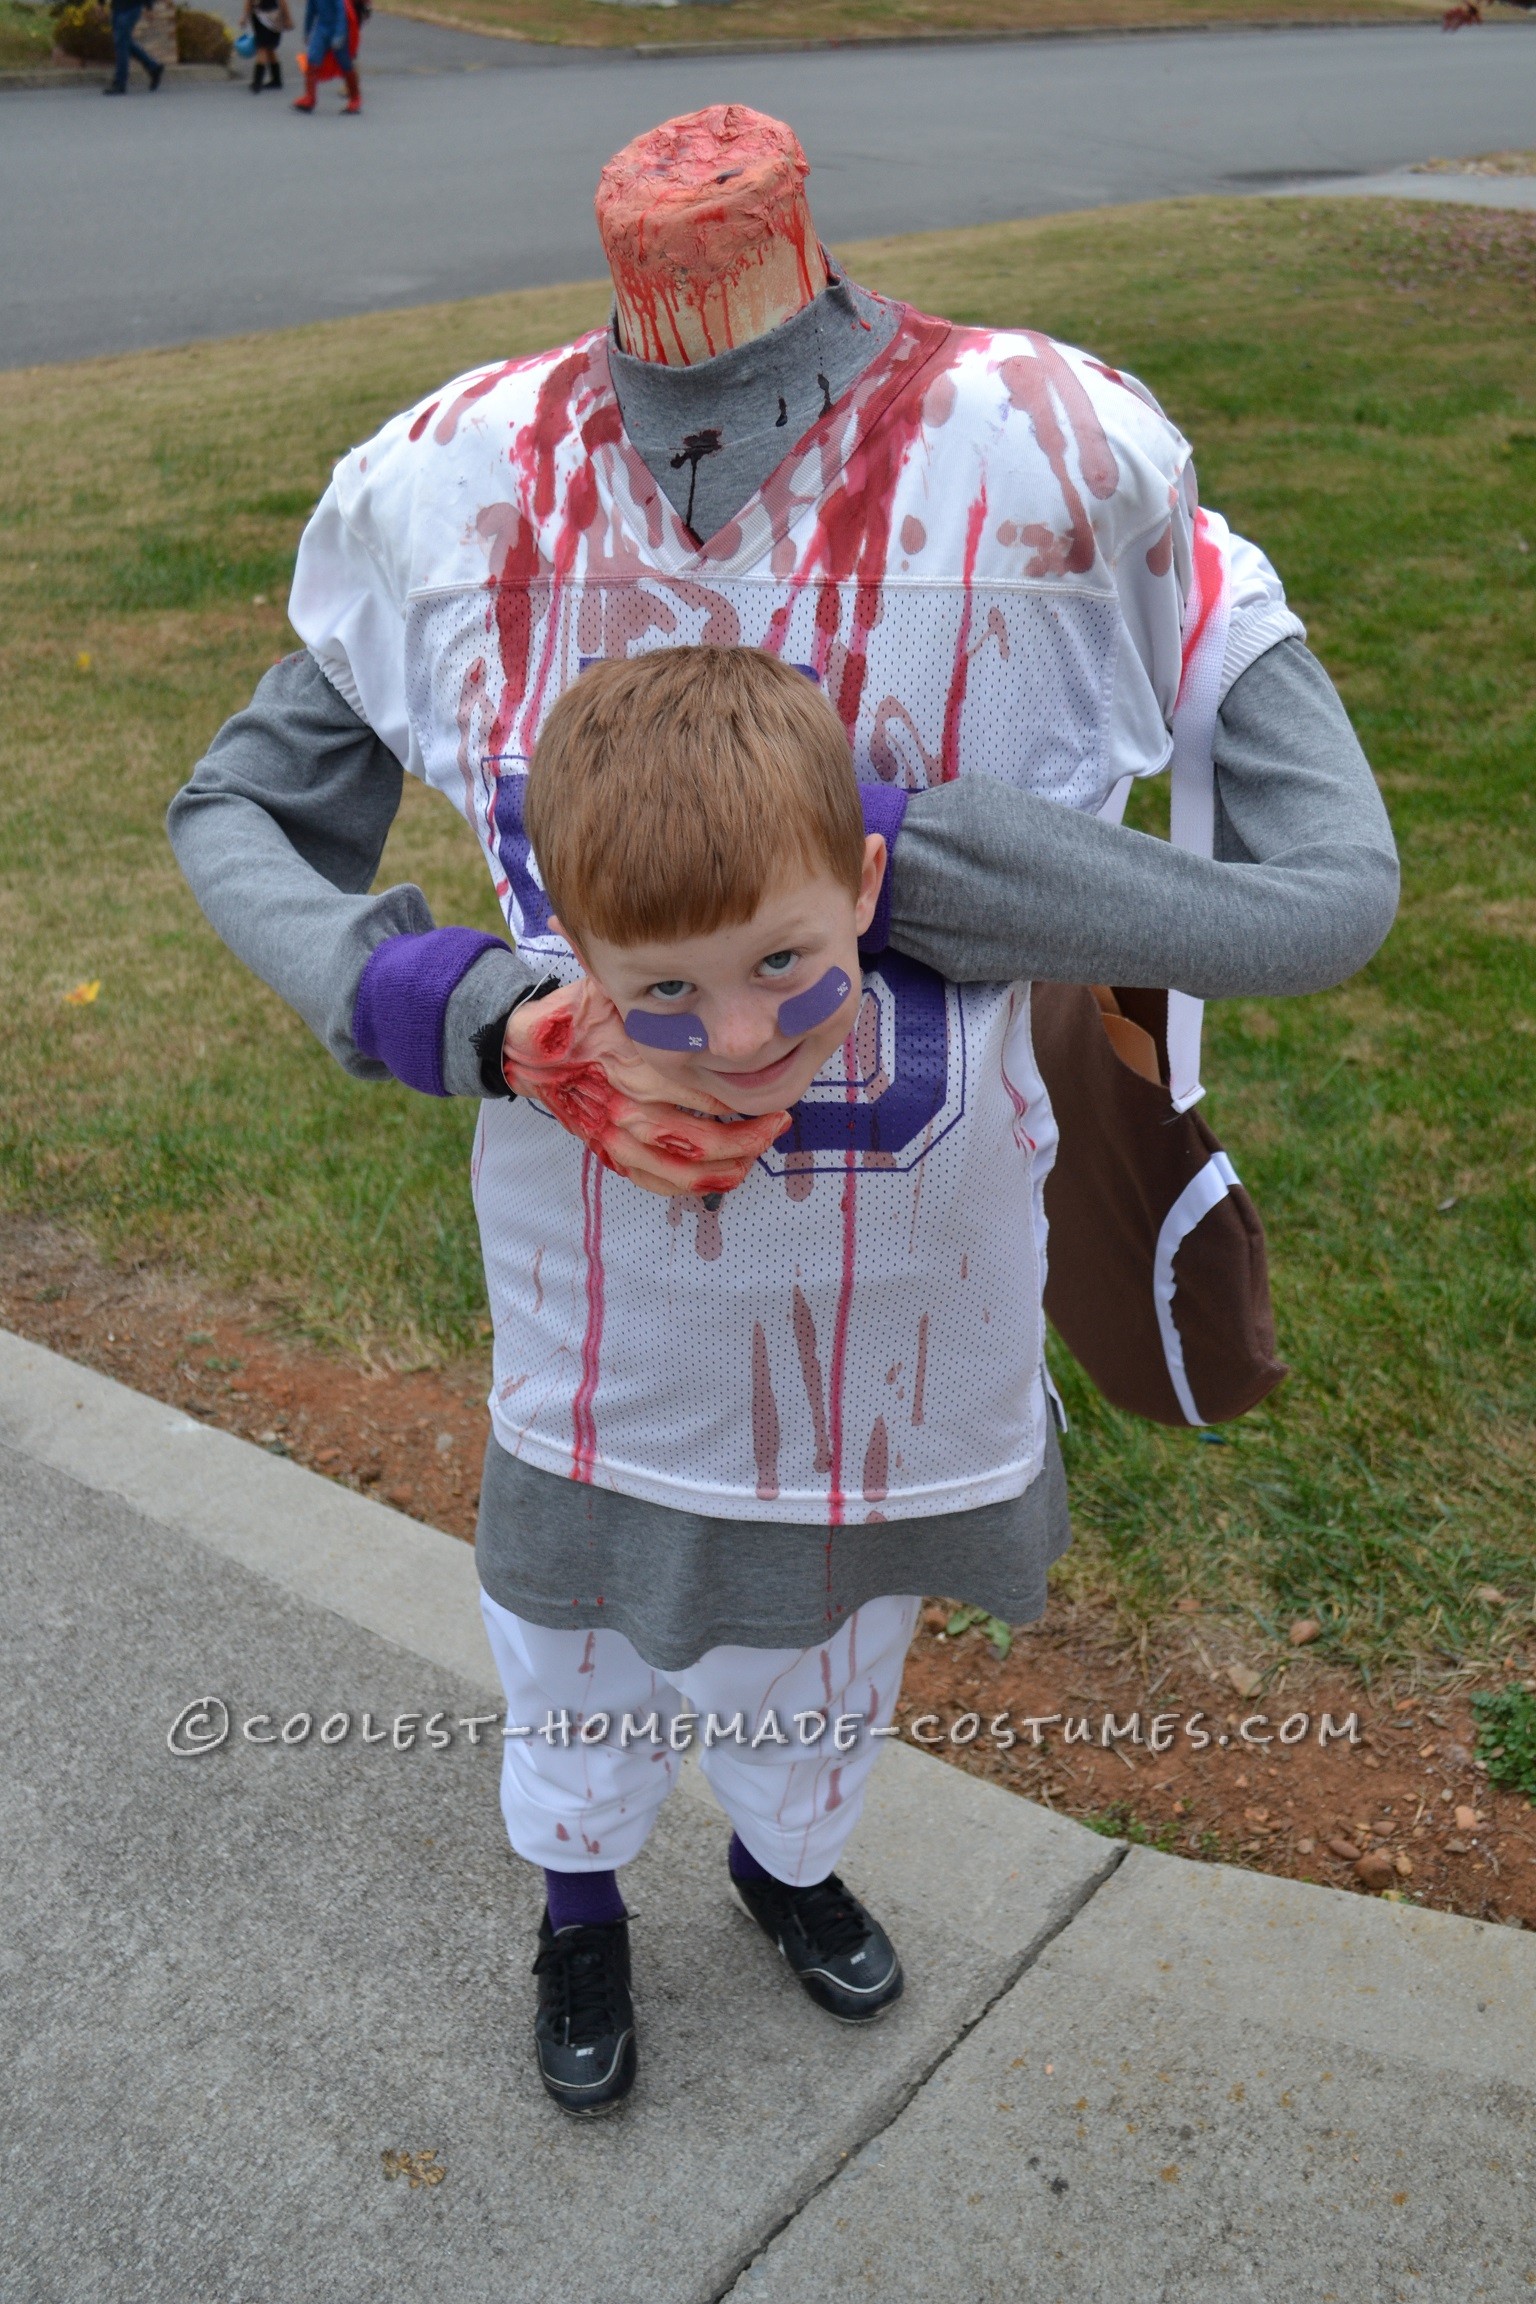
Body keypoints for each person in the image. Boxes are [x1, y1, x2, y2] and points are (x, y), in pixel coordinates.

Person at [167, 103, 1398, 2118]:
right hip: (597, 1314)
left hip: (913, 1314)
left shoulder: (1058, 463)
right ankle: (578, 1912)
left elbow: (1327, 896)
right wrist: (458, 1003)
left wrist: (919, 865)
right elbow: (237, 809)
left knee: (833, 1651)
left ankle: (782, 1861)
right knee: (573, 1646)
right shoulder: (452, 486)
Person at [292, 0, 360, 113]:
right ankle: (310, 98)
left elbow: (341, 13)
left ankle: (355, 98)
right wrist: (307, 31)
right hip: (322, 28)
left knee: (345, 63)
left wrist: (339, 34)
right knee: (312, 59)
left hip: (336, 28)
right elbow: (310, 11)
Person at [103, 0, 162, 93]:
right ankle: (153, 67)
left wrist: (149, 7)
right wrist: (100, 3)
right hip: (117, 8)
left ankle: (120, 83)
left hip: (132, 7)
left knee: (121, 43)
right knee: (124, 43)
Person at [241, 0, 291, 93]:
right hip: (271, 17)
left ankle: (257, 82)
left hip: (267, 16)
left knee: (262, 48)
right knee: (269, 48)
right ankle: (276, 79)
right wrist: (287, 17)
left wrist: (244, 17)